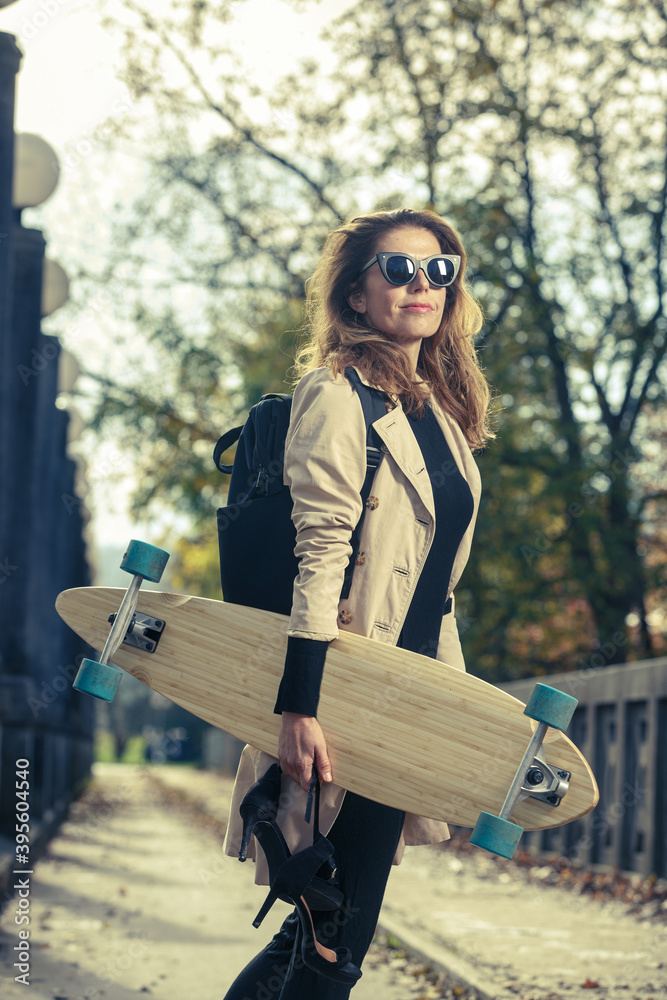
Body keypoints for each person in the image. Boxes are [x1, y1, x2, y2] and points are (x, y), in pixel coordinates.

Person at [222, 207, 493, 998]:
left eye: (438, 270)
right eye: (398, 269)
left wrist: (450, 710)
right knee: (332, 932)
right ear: (354, 292)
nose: (421, 285)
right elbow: (321, 553)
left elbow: (433, 592)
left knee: (325, 928)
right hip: (345, 697)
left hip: (406, 700)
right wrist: (299, 707)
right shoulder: (338, 394)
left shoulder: (439, 414)